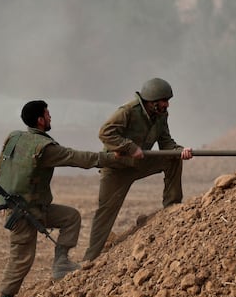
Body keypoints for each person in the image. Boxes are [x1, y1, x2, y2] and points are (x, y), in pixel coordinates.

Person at [0, 100, 124, 297]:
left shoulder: (14, 138)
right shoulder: (44, 149)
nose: (51, 117)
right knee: (22, 258)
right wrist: (111, 158)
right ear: (40, 120)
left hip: (35, 208)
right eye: (48, 114)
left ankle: (61, 263)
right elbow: (77, 158)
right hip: (22, 213)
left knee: (70, 217)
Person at [82, 78, 193, 261]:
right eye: (164, 101)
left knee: (172, 158)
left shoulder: (161, 115)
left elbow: (166, 143)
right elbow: (105, 133)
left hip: (140, 163)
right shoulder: (128, 111)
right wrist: (130, 147)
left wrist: (180, 151)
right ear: (152, 101)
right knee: (106, 213)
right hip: (117, 168)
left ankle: (172, 206)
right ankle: (90, 259)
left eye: (168, 101)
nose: (167, 105)